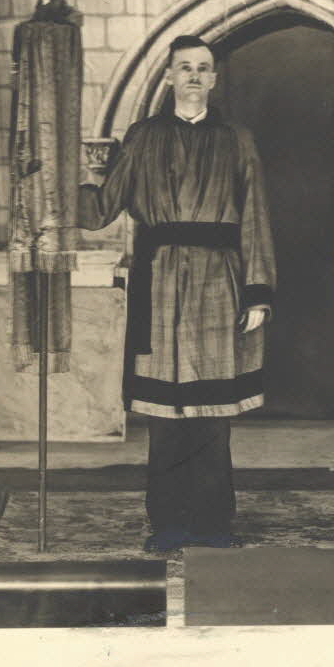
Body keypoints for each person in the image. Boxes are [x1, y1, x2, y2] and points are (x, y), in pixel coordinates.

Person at [79, 35, 275, 552]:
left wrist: (257, 292)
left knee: (213, 416)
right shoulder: (143, 136)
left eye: (202, 68)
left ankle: (213, 525)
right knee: (164, 420)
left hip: (219, 280)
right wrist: (56, 181)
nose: (193, 76)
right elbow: (102, 208)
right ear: (169, 76)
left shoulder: (237, 137)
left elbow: (254, 214)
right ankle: (166, 525)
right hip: (160, 279)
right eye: (183, 67)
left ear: (213, 79)